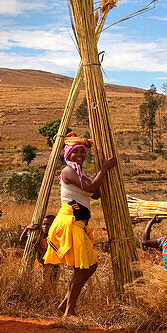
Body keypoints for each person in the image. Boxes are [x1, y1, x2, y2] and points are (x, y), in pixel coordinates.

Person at [44, 134, 116, 318]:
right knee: (82, 268)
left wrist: (100, 179)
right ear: (68, 154)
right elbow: (92, 188)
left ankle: (66, 303)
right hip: (70, 222)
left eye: (82, 152)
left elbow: (94, 194)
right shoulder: (68, 171)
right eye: (75, 152)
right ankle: (69, 310)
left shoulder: (79, 174)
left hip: (79, 223)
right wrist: (104, 169)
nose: (79, 155)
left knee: (91, 266)